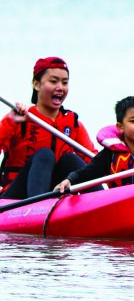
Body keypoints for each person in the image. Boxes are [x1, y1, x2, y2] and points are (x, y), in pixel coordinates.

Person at [0, 57, 97, 199]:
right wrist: (10, 121)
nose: (60, 87)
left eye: (65, 82)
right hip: (15, 199)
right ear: (36, 84)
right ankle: (39, 206)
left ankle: (103, 203)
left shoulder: (72, 123)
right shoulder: (20, 118)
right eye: (53, 81)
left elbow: (93, 160)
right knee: (45, 154)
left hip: (54, 194)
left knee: (71, 160)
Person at [54, 96, 134, 194]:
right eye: (133, 121)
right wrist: (69, 180)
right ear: (120, 127)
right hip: (118, 203)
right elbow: (88, 171)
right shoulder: (110, 154)